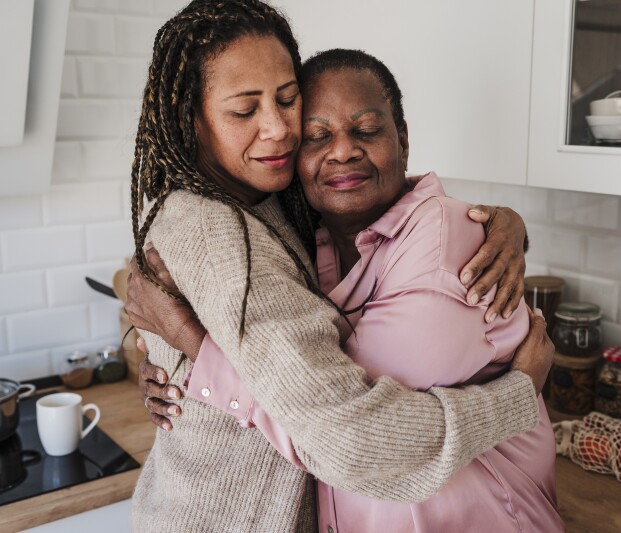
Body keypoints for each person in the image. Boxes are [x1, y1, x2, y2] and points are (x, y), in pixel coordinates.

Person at [126, 1, 553, 531]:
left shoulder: (274, 200)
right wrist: (519, 395)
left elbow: (369, 186)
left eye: (287, 103)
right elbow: (353, 438)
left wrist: (505, 222)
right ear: (192, 121)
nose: (279, 130)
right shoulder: (216, 228)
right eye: (244, 111)